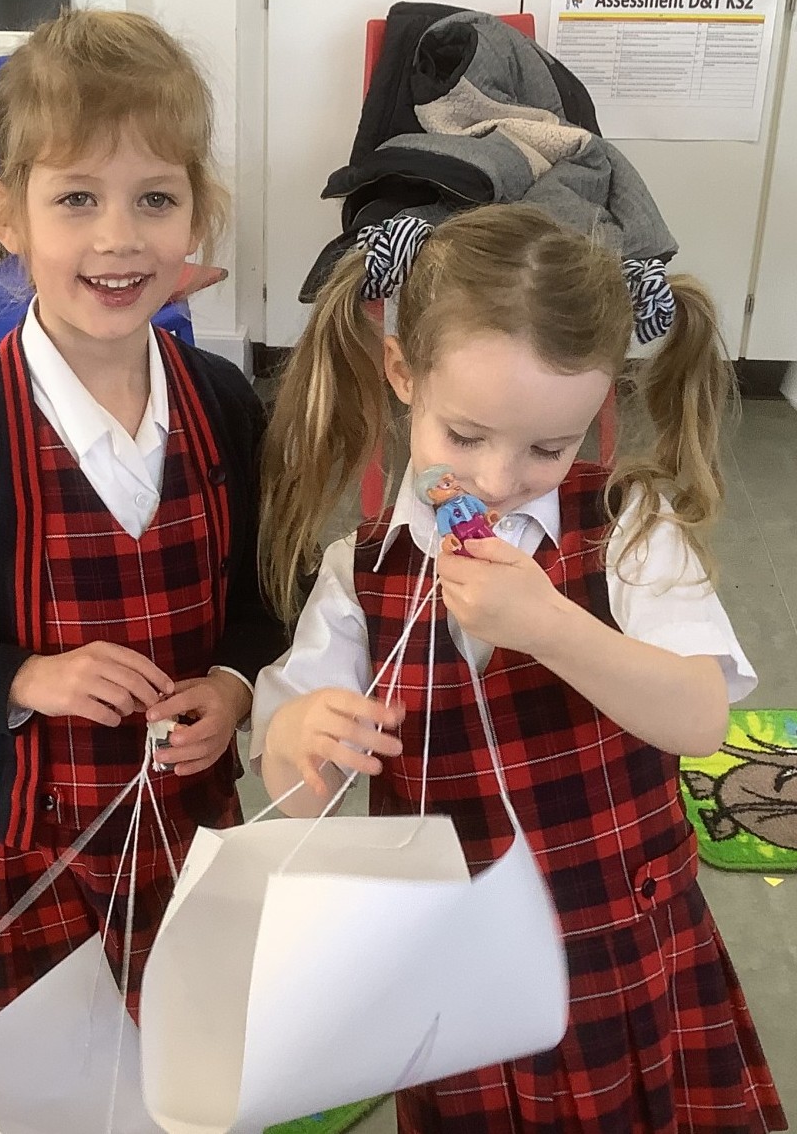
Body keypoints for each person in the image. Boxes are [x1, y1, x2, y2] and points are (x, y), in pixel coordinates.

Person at [252, 205, 786, 1133]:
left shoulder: (631, 527)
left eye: (549, 447)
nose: (499, 481)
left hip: (619, 955)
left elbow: (700, 717)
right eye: (464, 436)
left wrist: (550, 627)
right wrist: (300, 739)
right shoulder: (360, 575)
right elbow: (297, 793)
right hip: (461, 975)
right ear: (402, 373)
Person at [0, 8, 283, 1030]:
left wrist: (234, 684)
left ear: (198, 214)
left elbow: (270, 597)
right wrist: (26, 677)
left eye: (155, 198)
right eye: (77, 197)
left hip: (192, 826)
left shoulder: (226, 406)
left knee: (190, 1047)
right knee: (36, 1068)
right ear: (8, 215)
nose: (118, 236)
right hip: (24, 851)